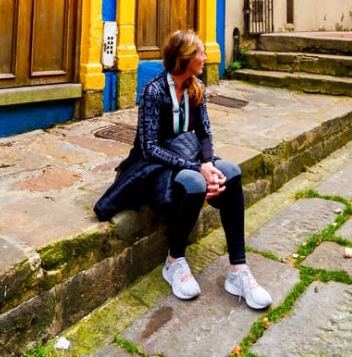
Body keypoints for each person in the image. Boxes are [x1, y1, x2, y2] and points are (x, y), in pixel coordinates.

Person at [94, 29, 272, 309]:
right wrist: (196, 169)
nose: (205, 57)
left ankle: (238, 271)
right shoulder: (153, 91)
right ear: (184, 57)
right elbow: (149, 146)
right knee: (194, 183)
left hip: (188, 156)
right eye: (200, 52)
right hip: (155, 165)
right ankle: (174, 260)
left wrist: (210, 165)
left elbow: (204, 135)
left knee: (232, 173)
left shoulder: (195, 86)